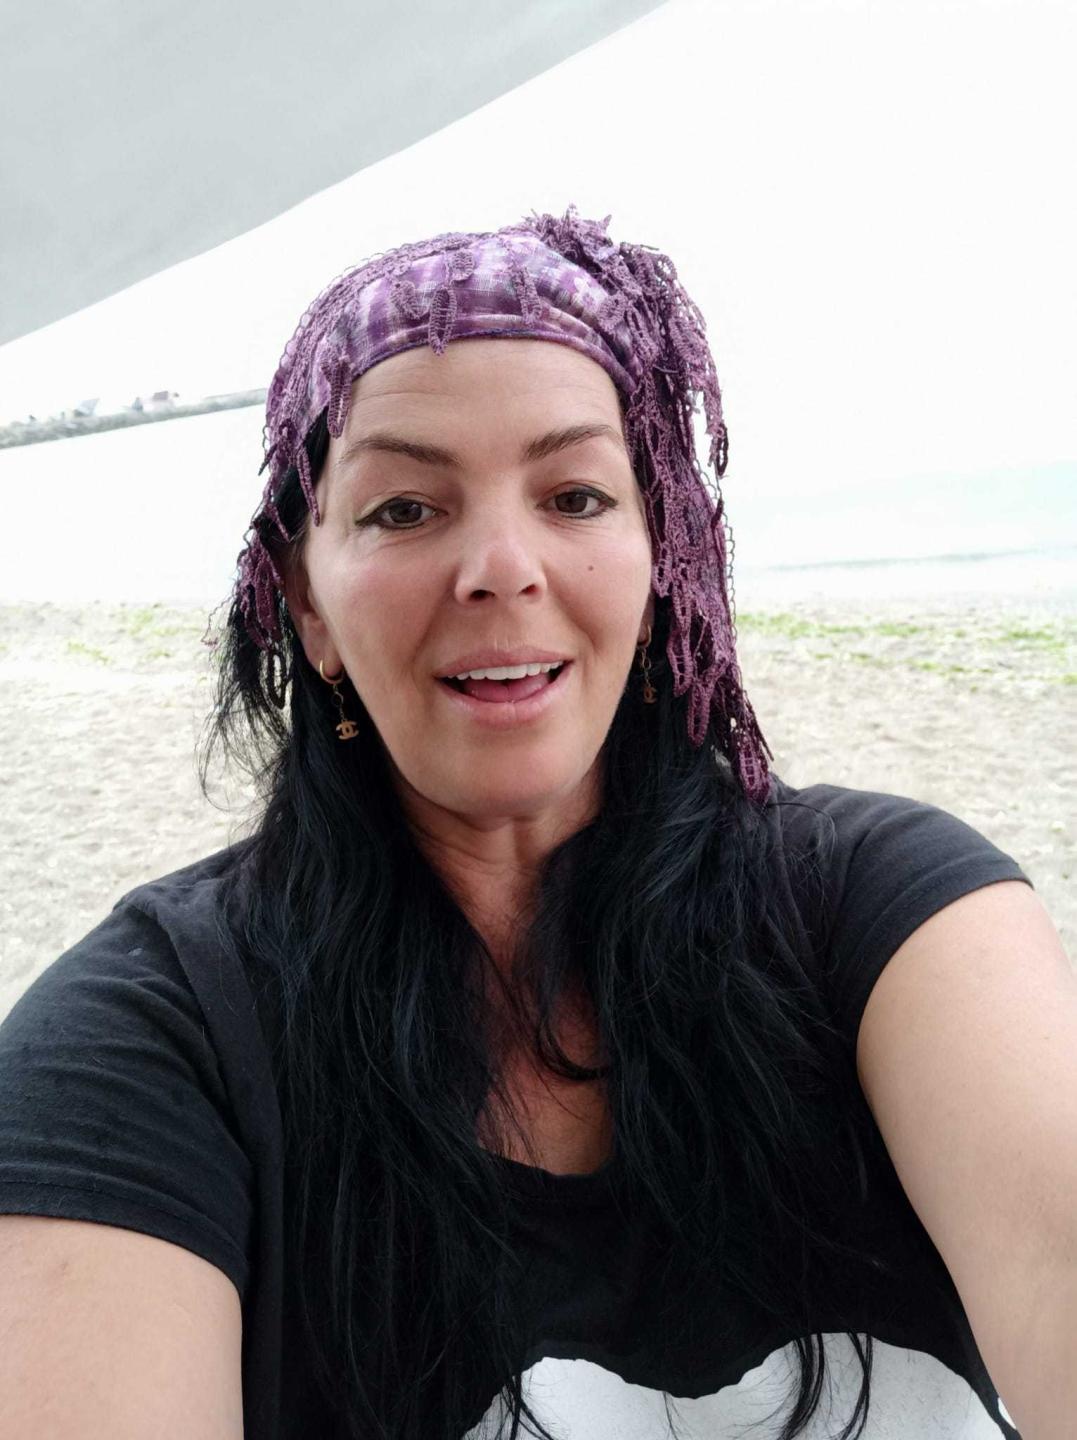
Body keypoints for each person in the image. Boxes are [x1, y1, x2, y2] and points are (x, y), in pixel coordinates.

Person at [0, 207, 1072, 1440]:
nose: (502, 567)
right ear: (308, 603)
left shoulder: (886, 914)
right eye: (405, 510)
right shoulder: (144, 1044)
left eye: (574, 494)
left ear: (663, 560)